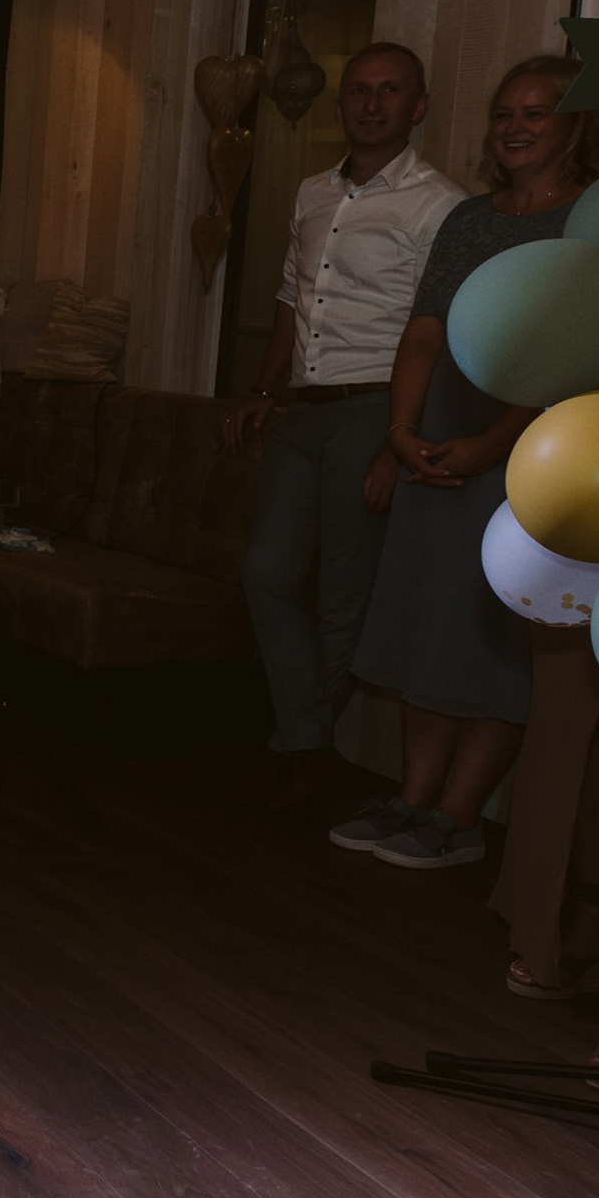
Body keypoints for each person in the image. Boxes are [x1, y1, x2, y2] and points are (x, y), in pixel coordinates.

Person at [333, 58, 599, 876]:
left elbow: (575, 350)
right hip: (440, 436)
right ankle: (413, 796)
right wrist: (401, 429)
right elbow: (424, 328)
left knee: (493, 637)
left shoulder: (594, 218)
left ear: (575, 124)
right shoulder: (468, 218)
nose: (514, 127)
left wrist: (493, 445)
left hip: (530, 452)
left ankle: (457, 818)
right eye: (503, 113)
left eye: (536, 112)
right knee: (426, 621)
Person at [222, 42, 466, 809]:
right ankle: (306, 742)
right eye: (359, 89)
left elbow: (437, 331)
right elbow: (292, 298)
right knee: (266, 571)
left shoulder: (438, 203)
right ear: (340, 105)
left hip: (375, 408)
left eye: (390, 90)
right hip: (304, 407)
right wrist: (263, 387)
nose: (371, 103)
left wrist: (399, 437)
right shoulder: (312, 191)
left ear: (417, 106)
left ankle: (296, 749)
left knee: (343, 597)